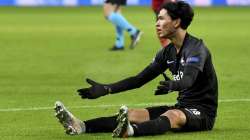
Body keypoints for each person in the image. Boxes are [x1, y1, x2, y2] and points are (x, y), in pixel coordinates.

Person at [54, 1, 218, 138]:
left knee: (172, 116)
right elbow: (139, 80)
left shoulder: (196, 48)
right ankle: (81, 126)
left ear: (176, 22)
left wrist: (174, 85)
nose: (157, 23)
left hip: (202, 112)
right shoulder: (167, 52)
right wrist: (106, 89)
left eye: (161, 18)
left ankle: (131, 131)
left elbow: (188, 79)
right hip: (181, 106)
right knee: (132, 114)